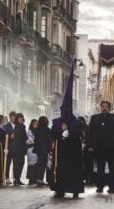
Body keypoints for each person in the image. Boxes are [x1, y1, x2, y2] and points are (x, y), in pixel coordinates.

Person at [49, 65, 84, 198]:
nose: (65, 112)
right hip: (61, 151)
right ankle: (60, 189)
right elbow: (52, 134)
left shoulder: (76, 122)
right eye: (63, 109)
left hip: (73, 152)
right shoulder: (56, 122)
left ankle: (74, 189)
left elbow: (79, 135)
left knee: (73, 171)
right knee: (61, 171)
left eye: (67, 109)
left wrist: (69, 134)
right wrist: (60, 134)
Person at [89, 101, 114, 194]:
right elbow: (90, 133)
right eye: (103, 106)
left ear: (109, 108)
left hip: (112, 148)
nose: (104, 108)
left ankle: (112, 187)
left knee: (112, 168)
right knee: (100, 168)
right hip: (99, 147)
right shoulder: (94, 118)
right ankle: (99, 186)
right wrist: (91, 145)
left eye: (106, 106)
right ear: (100, 107)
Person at [33, 116, 52, 186]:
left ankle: (39, 178)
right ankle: (41, 179)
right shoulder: (47, 130)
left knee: (39, 164)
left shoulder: (37, 130)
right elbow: (49, 140)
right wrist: (50, 148)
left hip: (38, 149)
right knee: (44, 164)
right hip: (45, 149)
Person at [12, 113, 28, 185]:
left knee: (20, 163)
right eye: (19, 117)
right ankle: (16, 179)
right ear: (17, 119)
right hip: (17, 148)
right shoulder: (18, 126)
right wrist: (25, 137)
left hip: (20, 148)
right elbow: (22, 137)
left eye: (21, 117)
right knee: (18, 164)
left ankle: (17, 179)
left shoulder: (22, 126)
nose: (20, 118)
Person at [3, 111, 17, 185]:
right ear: (10, 117)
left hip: (17, 148)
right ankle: (7, 177)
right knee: (8, 163)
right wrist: (9, 136)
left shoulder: (19, 126)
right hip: (9, 148)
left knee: (16, 164)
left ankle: (15, 178)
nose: (13, 119)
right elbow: (4, 137)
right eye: (12, 117)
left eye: (15, 117)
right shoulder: (6, 127)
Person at [79, 116, 93, 184]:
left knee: (88, 165)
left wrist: (89, 145)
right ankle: (82, 178)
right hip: (80, 149)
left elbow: (90, 138)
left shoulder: (87, 128)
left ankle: (88, 178)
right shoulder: (78, 128)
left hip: (87, 150)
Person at [26, 119, 38, 185]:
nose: (35, 125)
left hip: (37, 149)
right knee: (31, 165)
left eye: (37, 124)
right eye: (34, 124)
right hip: (31, 149)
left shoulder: (38, 131)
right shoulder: (29, 131)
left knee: (36, 165)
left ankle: (35, 178)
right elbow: (30, 140)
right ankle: (31, 179)